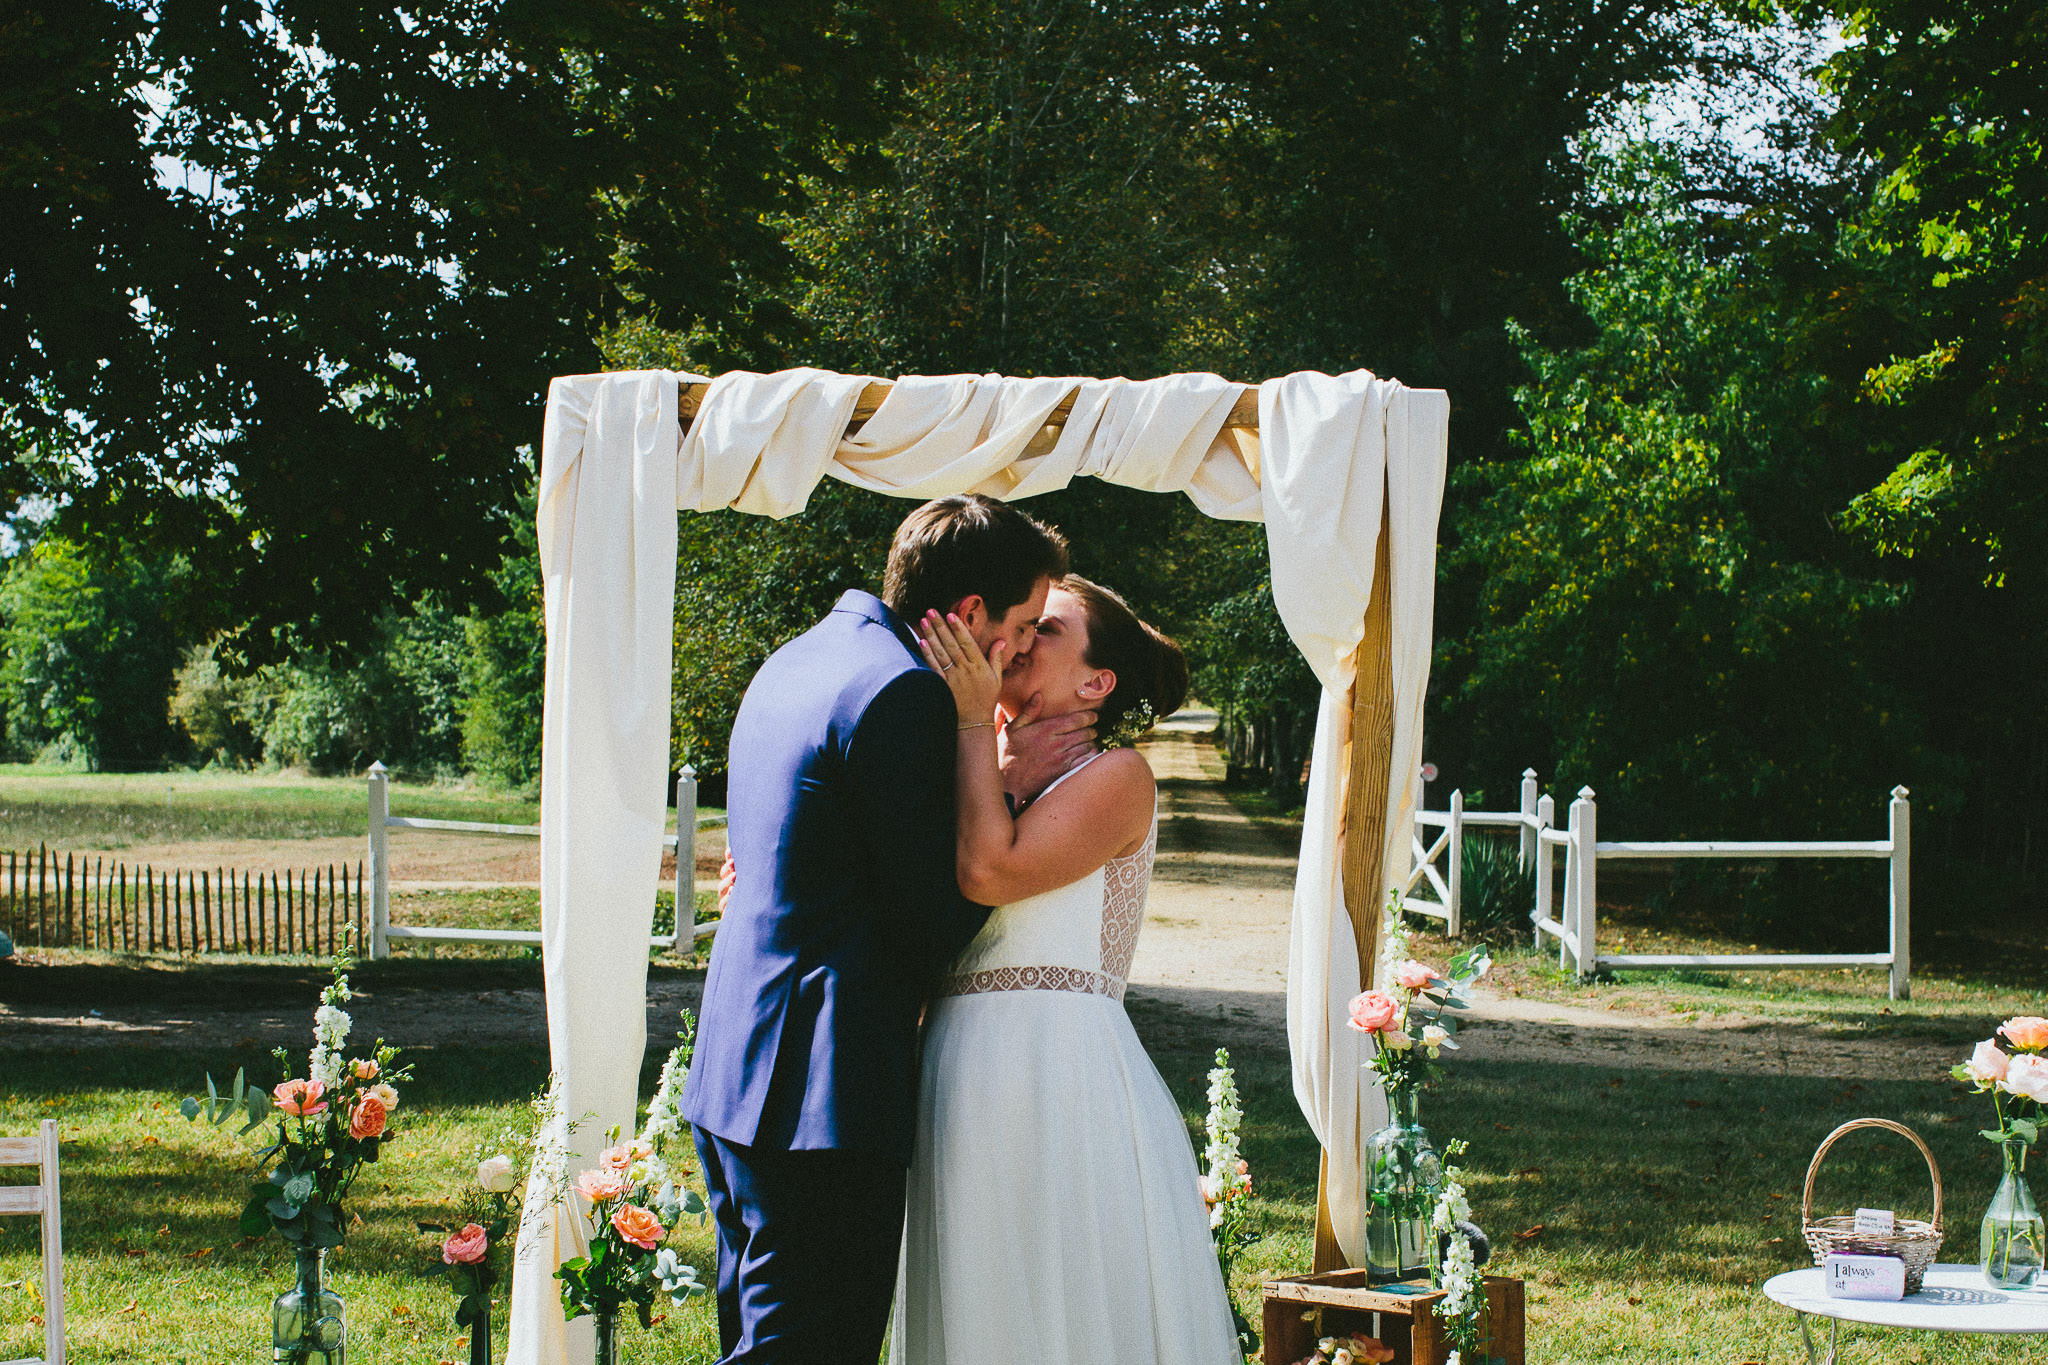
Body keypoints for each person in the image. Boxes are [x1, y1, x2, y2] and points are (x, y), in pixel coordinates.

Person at [681, 494, 1090, 1365]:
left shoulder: (798, 657)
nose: (1021, 647)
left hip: (734, 1076)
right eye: (1021, 624)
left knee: (758, 1342)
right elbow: (932, 924)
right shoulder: (907, 695)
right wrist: (1008, 796)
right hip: (820, 1098)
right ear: (971, 615)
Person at [895, 575, 1242, 1365]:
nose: (1018, 639)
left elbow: (989, 868)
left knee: (1069, 1315)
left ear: (1096, 682)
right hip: (954, 1070)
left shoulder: (1121, 778)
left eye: (1046, 628)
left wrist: (975, 726)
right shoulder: (970, 757)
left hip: (1062, 1079)